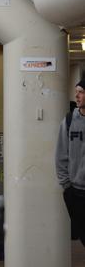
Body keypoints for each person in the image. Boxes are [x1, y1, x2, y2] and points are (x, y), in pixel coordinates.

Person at [56, 80, 85, 248]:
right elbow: (60, 155)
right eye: (76, 91)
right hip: (76, 192)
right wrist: (67, 186)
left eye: (81, 92)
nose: (77, 95)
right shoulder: (68, 121)